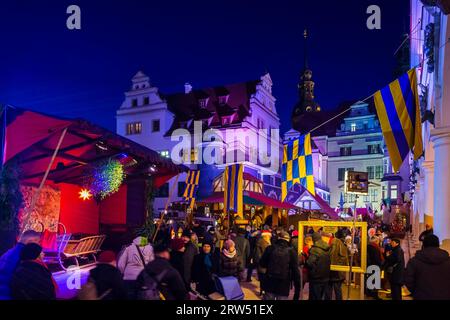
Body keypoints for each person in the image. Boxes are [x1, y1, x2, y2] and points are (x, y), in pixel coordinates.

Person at [405, 234, 450, 300]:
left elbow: (408, 280)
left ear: (423, 245)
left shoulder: (414, 261)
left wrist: (417, 292)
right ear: (438, 244)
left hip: (421, 296)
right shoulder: (447, 260)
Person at [0, 230, 41, 300]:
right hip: (10, 295)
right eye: (38, 242)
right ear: (30, 242)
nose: (39, 245)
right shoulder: (25, 256)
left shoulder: (7, 253)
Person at [259, 231, 300, 300]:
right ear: (288, 239)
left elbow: (262, 264)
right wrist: (297, 289)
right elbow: (295, 270)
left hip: (270, 281)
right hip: (284, 283)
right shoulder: (291, 251)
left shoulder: (270, 248)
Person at [306, 232, 331, 300]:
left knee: (314, 297)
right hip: (325, 277)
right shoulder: (326, 247)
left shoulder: (314, 250)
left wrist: (306, 258)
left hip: (316, 279)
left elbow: (309, 263)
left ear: (314, 239)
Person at [325, 230, 348, 300]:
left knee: (335, 289)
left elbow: (339, 257)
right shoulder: (338, 242)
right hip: (334, 271)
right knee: (334, 290)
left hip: (335, 272)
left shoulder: (335, 242)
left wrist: (335, 267)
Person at [254, 230, 272, 296]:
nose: (270, 237)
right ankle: (264, 291)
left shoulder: (261, 241)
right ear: (266, 236)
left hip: (260, 262)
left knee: (262, 278)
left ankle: (262, 290)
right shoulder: (264, 243)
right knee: (264, 278)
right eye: (269, 236)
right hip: (264, 263)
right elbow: (266, 254)